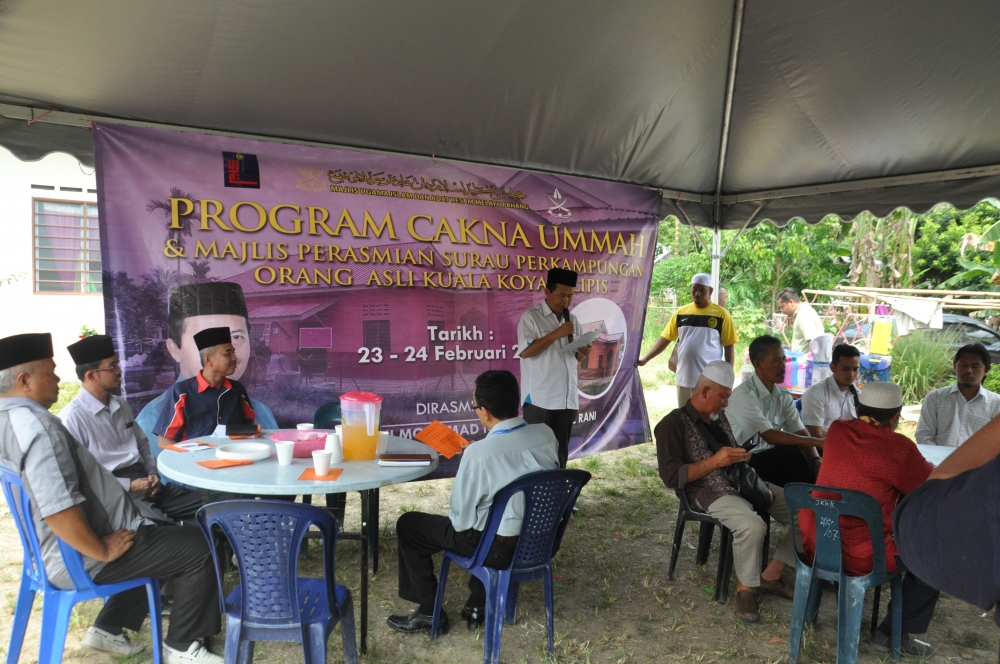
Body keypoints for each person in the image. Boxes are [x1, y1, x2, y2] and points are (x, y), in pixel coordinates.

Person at [0, 333, 222, 663]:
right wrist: (102, 549)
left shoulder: (9, 419)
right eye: (50, 372)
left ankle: (107, 628)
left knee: (169, 532)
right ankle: (181, 645)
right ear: (24, 380)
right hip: (75, 554)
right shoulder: (40, 429)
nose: (59, 378)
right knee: (197, 546)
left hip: (56, 547)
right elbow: (57, 508)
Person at [388, 370, 559, 634]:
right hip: (540, 542)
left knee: (410, 525)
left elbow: (461, 520)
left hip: (498, 551)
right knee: (493, 518)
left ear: (485, 412)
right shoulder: (546, 434)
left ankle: (428, 611)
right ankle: (477, 604)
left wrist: (477, 455)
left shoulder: (480, 454)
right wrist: (480, 451)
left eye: (475, 406)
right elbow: (517, 457)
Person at [801, 382, 939, 658]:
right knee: (933, 558)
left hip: (818, 543)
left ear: (858, 408)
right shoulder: (900, 447)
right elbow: (926, 486)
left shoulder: (838, 431)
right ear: (895, 418)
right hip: (862, 554)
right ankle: (890, 633)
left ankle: (809, 617)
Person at [655, 360, 796, 623]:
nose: (726, 404)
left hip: (742, 483)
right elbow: (672, 477)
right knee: (751, 526)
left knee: (805, 511)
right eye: (723, 397)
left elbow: (729, 458)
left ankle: (772, 573)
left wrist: (741, 456)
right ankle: (745, 590)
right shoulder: (671, 425)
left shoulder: (719, 419)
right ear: (704, 391)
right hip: (707, 491)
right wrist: (716, 462)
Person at [59, 335, 203, 522]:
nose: (120, 371)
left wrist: (152, 473)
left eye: (117, 364)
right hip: (116, 493)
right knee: (172, 534)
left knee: (215, 506)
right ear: (91, 375)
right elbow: (82, 478)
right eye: (112, 367)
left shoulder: (120, 405)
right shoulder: (73, 418)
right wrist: (130, 486)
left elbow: (142, 444)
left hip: (147, 482)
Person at [136, 282, 277, 458]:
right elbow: (165, 476)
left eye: (237, 337)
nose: (233, 356)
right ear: (175, 349)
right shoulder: (150, 419)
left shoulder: (260, 411)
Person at [894, 411, 1000, 641]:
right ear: (895, 417)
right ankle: (894, 630)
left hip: (825, 544)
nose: (969, 371)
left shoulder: (838, 436)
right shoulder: (897, 446)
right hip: (875, 548)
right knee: (934, 549)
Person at [726, 335, 825, 486]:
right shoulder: (743, 395)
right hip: (745, 461)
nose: (783, 366)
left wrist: (815, 459)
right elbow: (769, 436)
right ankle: (808, 500)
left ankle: (815, 498)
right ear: (758, 364)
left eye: (783, 360)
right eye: (776, 361)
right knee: (790, 453)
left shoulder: (783, 395)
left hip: (772, 458)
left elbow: (798, 430)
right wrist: (817, 441)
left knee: (817, 455)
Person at [518, 268, 591, 468]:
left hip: (566, 400)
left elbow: (572, 358)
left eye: (570, 296)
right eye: (561, 295)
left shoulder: (572, 319)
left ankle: (558, 496)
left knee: (560, 455)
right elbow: (525, 352)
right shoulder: (531, 317)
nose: (566, 301)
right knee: (536, 456)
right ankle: (537, 496)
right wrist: (556, 333)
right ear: (547, 292)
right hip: (540, 399)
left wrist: (583, 351)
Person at [637, 273, 737, 407]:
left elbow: (729, 347)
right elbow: (665, 339)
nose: (697, 294)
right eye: (694, 290)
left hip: (710, 380)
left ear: (710, 291)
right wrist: (645, 359)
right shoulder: (681, 313)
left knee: (708, 420)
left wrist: (728, 376)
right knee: (685, 419)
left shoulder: (721, 314)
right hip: (684, 378)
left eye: (702, 290)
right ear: (690, 289)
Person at [153, 327, 255, 447]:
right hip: (194, 462)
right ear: (208, 359)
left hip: (233, 458)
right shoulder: (181, 392)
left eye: (233, 352)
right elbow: (165, 441)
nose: (235, 358)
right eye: (228, 353)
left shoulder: (238, 390)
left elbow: (248, 428)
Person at [916, 343, 1000, 447]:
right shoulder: (935, 398)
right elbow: (924, 435)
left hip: (979, 463)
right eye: (963, 365)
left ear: (986, 370)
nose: (968, 371)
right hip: (938, 461)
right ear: (955, 367)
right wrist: (937, 458)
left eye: (975, 366)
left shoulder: (996, 404)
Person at [800, 343, 861, 438]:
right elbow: (815, 436)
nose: (851, 374)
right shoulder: (816, 393)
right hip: (822, 449)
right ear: (833, 368)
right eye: (845, 369)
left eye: (855, 369)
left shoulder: (859, 396)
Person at [668, 286, 727, 373]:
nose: (726, 300)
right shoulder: (688, 316)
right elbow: (673, 363)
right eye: (725, 297)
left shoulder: (723, 318)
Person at [777, 288, 825, 353]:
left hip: (806, 362)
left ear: (791, 302)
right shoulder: (803, 311)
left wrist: (811, 362)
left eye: (782, 306)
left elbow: (814, 344)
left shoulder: (804, 314)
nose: (782, 311)